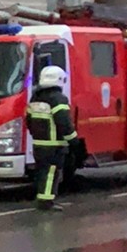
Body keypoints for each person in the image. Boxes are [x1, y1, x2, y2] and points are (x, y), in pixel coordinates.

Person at [27, 66, 76, 212]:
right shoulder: (58, 99)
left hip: (38, 143)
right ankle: (46, 202)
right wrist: (74, 140)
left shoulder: (35, 98)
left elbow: (28, 120)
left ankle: (43, 197)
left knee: (42, 172)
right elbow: (64, 123)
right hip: (54, 144)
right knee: (51, 173)